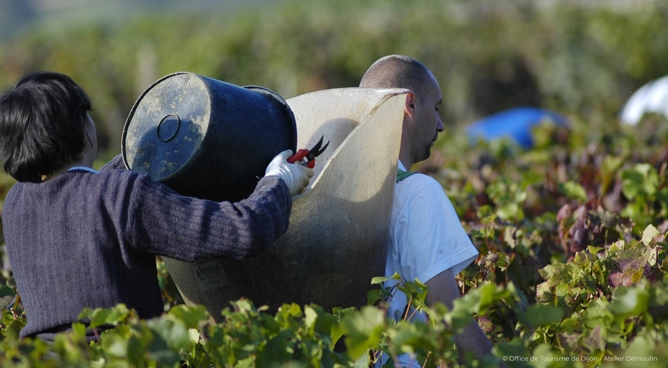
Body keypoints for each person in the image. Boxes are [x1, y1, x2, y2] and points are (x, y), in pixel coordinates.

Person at [0, 71, 312, 342]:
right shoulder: (121, 195)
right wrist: (278, 181)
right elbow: (245, 230)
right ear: (81, 129)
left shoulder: (16, 204)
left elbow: (83, 191)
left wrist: (144, 153)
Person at [360, 55, 496, 365]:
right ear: (409, 104)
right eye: (435, 108)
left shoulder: (337, 191)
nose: (441, 125)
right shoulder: (417, 192)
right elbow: (452, 321)